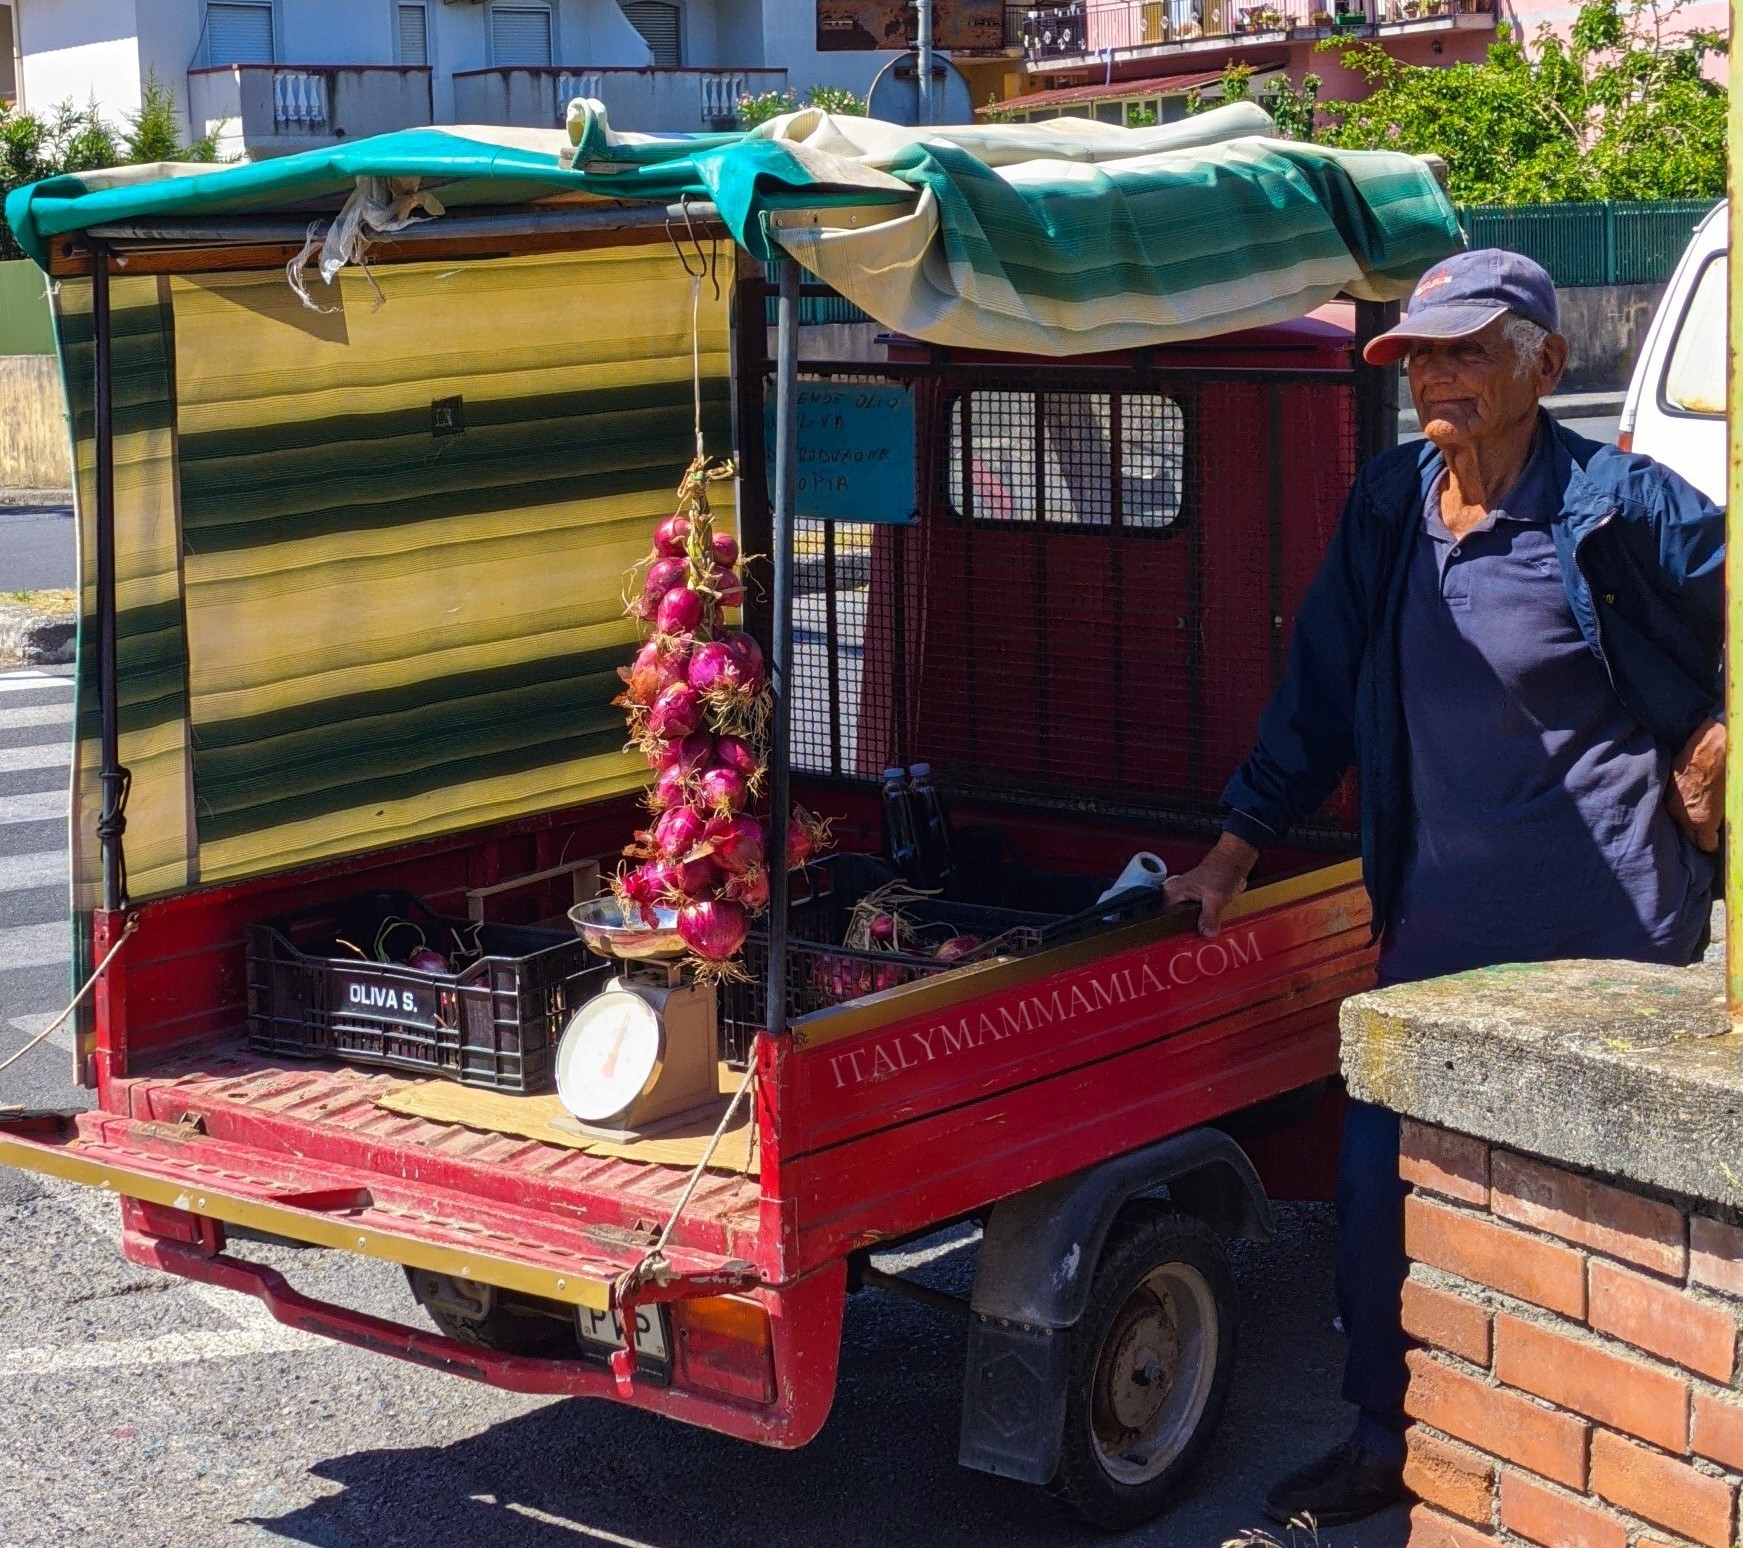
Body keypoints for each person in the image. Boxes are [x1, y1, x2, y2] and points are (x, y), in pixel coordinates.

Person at [1163, 248, 1727, 1527]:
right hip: (1437, 934)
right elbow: (1315, 696)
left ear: (1545, 362)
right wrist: (1234, 850)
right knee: (1378, 1203)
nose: (1436, 374)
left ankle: (1605, 1465)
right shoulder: (1388, 509)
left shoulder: (1622, 507)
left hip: (1610, 939)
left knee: (1600, 1216)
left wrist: (1714, 737)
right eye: (1420, 352)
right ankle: (1385, 1442)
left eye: (1468, 349)